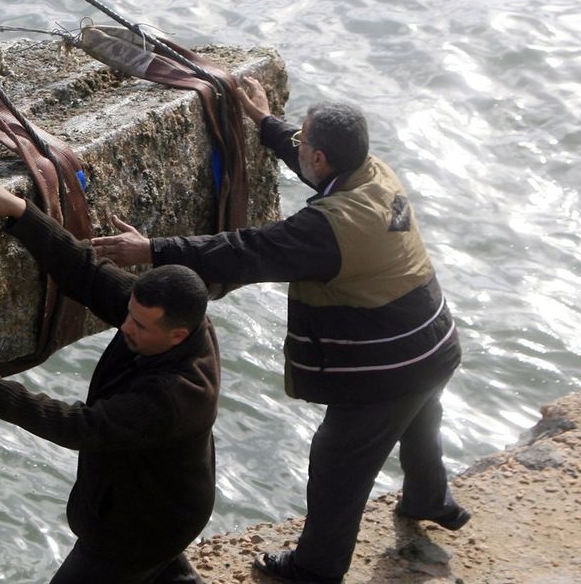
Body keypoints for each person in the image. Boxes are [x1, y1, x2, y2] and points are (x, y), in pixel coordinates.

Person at [90, 77, 470, 583]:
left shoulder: (327, 228)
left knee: (339, 465)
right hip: (433, 340)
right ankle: (430, 498)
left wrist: (154, 250)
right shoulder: (372, 174)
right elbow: (307, 157)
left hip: (390, 366)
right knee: (421, 421)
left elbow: (247, 251)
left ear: (322, 160)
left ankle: (315, 569)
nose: (300, 148)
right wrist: (265, 122)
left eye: (304, 142)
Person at [0, 184, 221, 584]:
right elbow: (87, 272)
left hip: (140, 528)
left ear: (178, 336)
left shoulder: (176, 396)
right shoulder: (167, 317)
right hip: (163, 499)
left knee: (138, 562)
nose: (124, 324)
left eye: (139, 324)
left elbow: (80, 426)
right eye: (129, 313)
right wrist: (22, 213)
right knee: (162, 571)